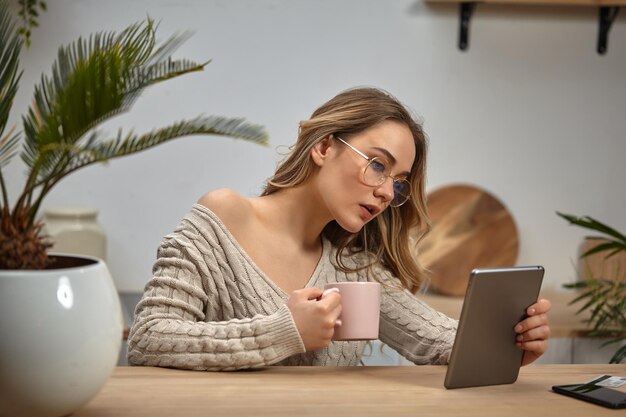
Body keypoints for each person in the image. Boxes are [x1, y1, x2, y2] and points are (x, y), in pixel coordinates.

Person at [127, 87, 551, 371]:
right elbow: (148, 339)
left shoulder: (353, 265)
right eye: (378, 164)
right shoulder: (225, 218)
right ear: (324, 146)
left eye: (398, 181)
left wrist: (510, 340)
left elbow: (438, 340)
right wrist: (284, 331)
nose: (387, 192)